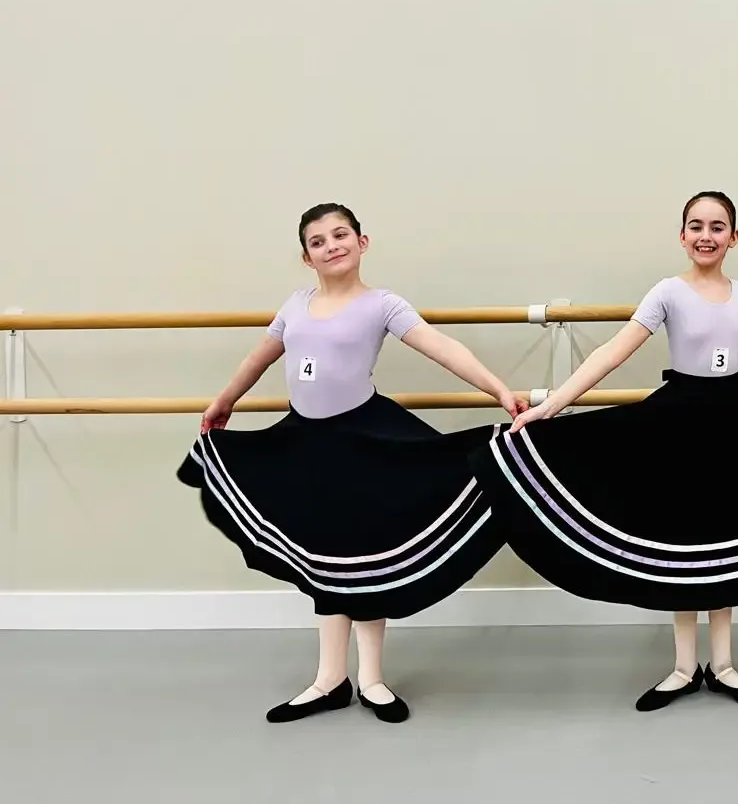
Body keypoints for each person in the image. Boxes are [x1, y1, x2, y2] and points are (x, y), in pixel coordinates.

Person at [472, 191, 738, 711]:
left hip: (736, 423)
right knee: (684, 533)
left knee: (726, 532)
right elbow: (613, 351)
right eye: (696, 226)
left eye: (718, 227)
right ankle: (682, 666)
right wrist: (551, 407)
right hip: (679, 424)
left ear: (733, 238)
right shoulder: (668, 292)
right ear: (682, 235)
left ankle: (725, 663)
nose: (706, 235)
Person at [177, 203, 524, 724]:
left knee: (365, 552)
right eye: (318, 241)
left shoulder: (381, 304)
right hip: (305, 441)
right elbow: (259, 357)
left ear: (363, 242)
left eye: (341, 235)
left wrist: (498, 389)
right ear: (305, 256)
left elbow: (440, 346)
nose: (331, 245)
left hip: (363, 438)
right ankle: (328, 680)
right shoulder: (295, 305)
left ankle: (372, 679)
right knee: (322, 555)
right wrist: (225, 399)